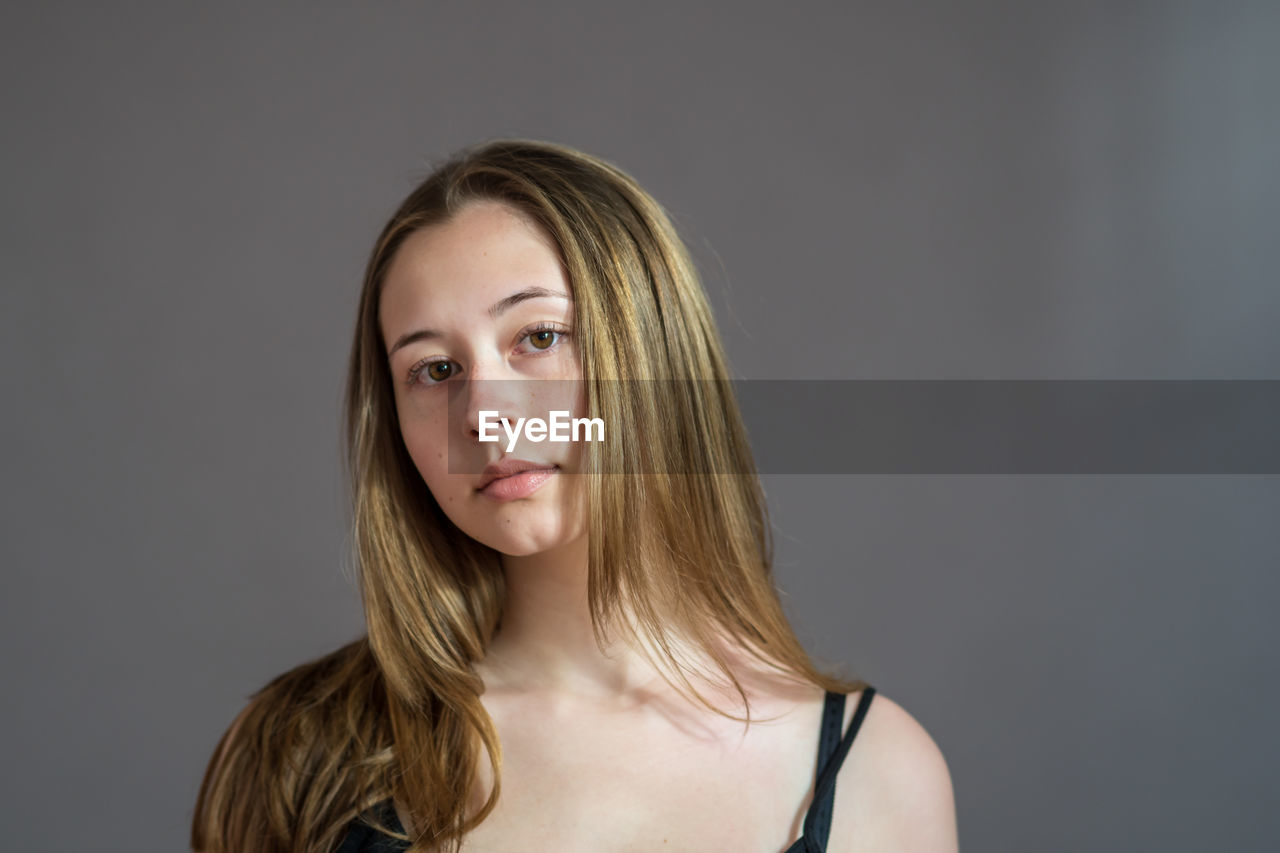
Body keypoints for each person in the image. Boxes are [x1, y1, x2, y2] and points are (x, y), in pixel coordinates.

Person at [190, 139, 958, 853]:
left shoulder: (875, 775)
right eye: (433, 370)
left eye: (540, 337)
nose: (485, 417)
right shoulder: (295, 755)